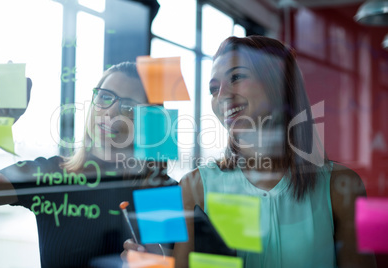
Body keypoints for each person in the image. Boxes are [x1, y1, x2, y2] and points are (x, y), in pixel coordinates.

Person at [123, 36, 377, 268]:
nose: (221, 96)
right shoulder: (194, 186)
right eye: (213, 88)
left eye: (236, 77)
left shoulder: (342, 185)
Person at [0, 62, 176, 268]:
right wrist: (2, 115)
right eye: (105, 97)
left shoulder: (160, 190)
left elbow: (167, 258)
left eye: (128, 106)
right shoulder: (50, 173)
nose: (111, 112)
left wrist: (158, 262)